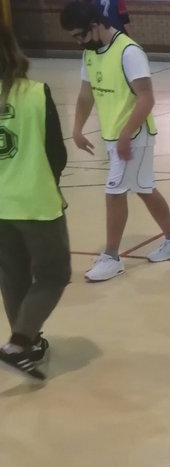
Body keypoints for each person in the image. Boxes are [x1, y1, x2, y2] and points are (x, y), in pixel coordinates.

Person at [59, 1, 170, 281]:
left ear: (95, 25)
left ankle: (112, 257)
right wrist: (77, 129)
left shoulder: (129, 52)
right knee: (144, 188)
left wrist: (126, 134)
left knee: (114, 192)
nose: (79, 41)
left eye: (80, 35)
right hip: (114, 137)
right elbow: (85, 94)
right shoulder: (90, 53)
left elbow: (146, 97)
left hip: (134, 136)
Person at [0, 25, 70, 381]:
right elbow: (56, 153)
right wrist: (52, 186)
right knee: (54, 274)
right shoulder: (35, 94)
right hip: (35, 201)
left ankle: (25, 342)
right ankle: (18, 343)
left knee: (11, 276)